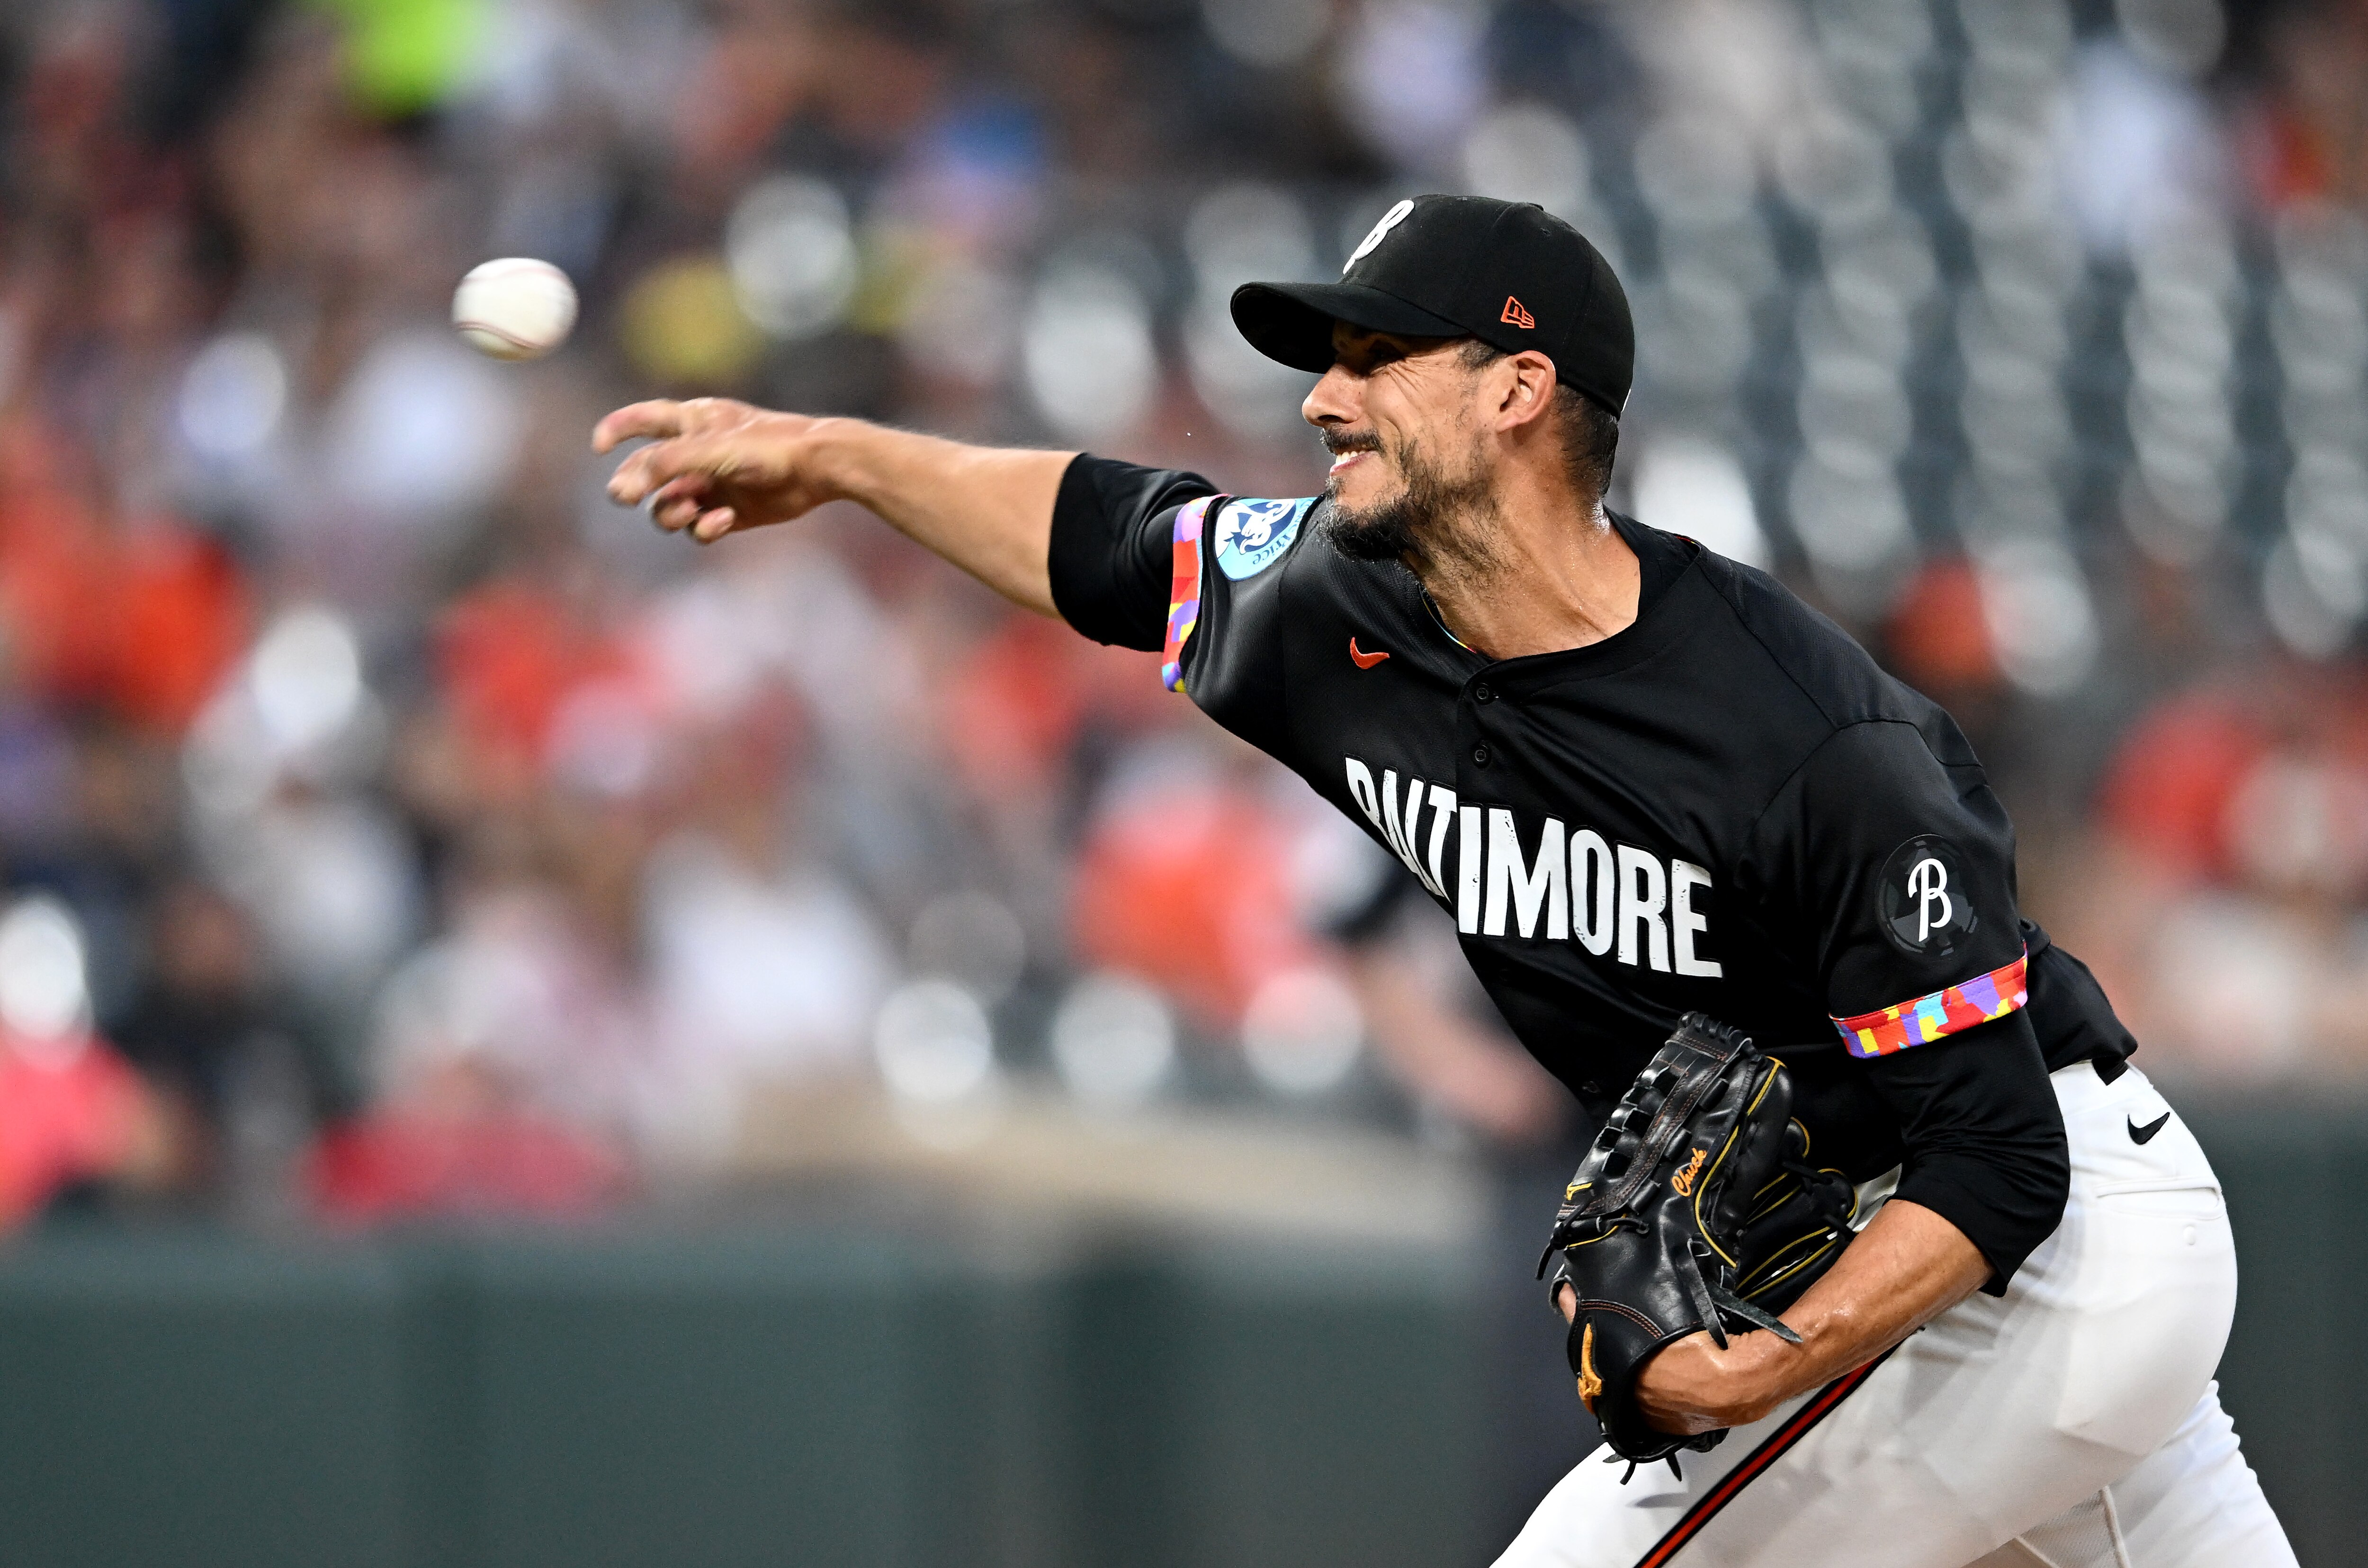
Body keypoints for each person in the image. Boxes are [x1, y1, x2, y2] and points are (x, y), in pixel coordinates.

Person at [594, 195, 2294, 1567]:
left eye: (1377, 355)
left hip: (2043, 1236)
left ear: (1517, 390)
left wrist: (1766, 1367)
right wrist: (829, 455)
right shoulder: (1344, 610)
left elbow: (1997, 1159)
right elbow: (1109, 537)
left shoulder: (1813, 740)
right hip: (1927, 1252)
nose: (1323, 395)